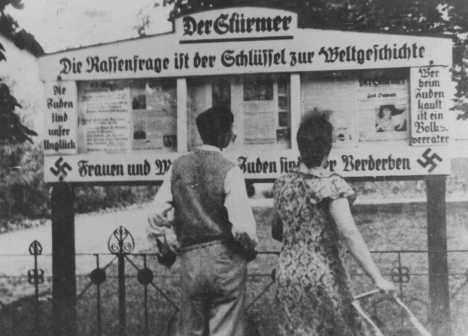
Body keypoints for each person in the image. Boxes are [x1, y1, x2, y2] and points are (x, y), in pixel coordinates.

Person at [272, 113, 395, 336]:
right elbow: (349, 232)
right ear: (328, 148)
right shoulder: (331, 184)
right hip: (323, 274)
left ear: (300, 146)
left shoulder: (282, 183)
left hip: (287, 274)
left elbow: (276, 231)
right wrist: (377, 278)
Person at [148, 106, 258, 336]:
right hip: (225, 258)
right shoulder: (230, 169)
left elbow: (156, 213)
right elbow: (243, 227)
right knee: (226, 326)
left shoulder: (178, 167)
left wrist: (166, 244)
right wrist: (249, 249)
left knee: (191, 328)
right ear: (224, 135)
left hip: (191, 260)